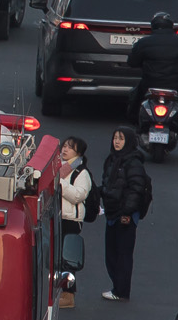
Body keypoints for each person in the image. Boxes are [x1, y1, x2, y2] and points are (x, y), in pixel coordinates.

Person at [127, 12, 178, 144]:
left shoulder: (144, 42)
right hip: (175, 86)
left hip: (149, 84)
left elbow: (132, 62)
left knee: (135, 99)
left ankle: (137, 128)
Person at [99, 127, 150, 301]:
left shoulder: (134, 163)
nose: (117, 142)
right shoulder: (112, 159)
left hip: (124, 215)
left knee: (122, 254)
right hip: (112, 213)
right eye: (115, 138)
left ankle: (121, 290)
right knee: (111, 253)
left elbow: (136, 189)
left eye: (121, 139)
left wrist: (127, 212)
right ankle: (117, 287)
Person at [56, 137, 91, 310]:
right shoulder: (59, 167)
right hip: (58, 217)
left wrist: (59, 183)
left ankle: (69, 295)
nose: (65, 150)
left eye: (70, 148)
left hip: (71, 220)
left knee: (68, 259)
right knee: (55, 257)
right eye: (64, 146)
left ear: (79, 152)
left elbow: (79, 195)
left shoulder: (81, 172)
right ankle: (58, 292)